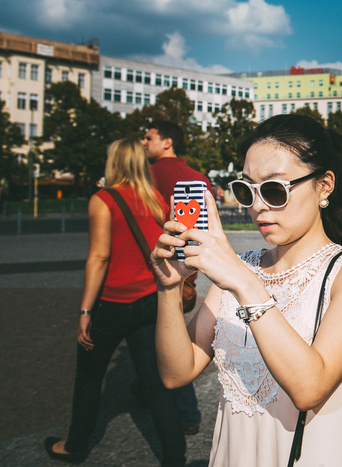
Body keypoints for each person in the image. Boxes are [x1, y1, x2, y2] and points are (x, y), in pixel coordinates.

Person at [151, 114, 342, 465]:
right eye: (247, 190)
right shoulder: (239, 270)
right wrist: (169, 289)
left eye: (274, 190)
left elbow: (310, 388)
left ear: (324, 186)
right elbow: (176, 372)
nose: (258, 206)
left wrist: (245, 283)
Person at [44, 139, 186, 466]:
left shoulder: (103, 199)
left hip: (113, 304)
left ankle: (75, 446)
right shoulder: (155, 200)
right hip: (151, 301)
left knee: (90, 377)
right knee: (157, 384)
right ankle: (175, 457)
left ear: (114, 162)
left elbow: (99, 257)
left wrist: (84, 311)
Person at [142, 120, 205, 435]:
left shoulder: (149, 177)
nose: (144, 142)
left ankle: (186, 413)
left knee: (166, 342)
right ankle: (181, 409)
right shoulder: (197, 178)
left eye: (149, 137)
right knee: (176, 336)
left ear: (167, 142)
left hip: (155, 274)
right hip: (188, 275)